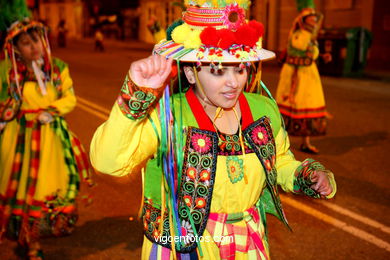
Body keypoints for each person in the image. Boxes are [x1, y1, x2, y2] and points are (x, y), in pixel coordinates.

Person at [90, 1, 337, 259]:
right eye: (218, 70)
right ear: (191, 73)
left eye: (240, 68)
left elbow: (280, 161)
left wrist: (304, 174)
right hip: (183, 247)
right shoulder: (168, 116)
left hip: (248, 244)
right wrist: (135, 96)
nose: (233, 82)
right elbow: (109, 162)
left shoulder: (263, 110)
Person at [0, 19, 91, 259]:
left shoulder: (57, 67)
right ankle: (27, 241)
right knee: (20, 190)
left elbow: (69, 99)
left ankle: (34, 241)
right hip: (18, 139)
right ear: (16, 48)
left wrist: (51, 112)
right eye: (26, 43)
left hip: (50, 140)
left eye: (36, 40)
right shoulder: (9, 72)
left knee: (44, 189)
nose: (34, 47)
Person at [275, 0, 332, 154]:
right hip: (296, 75)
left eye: (314, 17)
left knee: (308, 105)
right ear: (302, 19)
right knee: (291, 106)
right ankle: (279, 142)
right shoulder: (300, 34)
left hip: (308, 74)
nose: (314, 20)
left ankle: (305, 142)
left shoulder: (308, 35)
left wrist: (321, 55)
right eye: (310, 17)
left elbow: (310, 51)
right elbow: (299, 48)